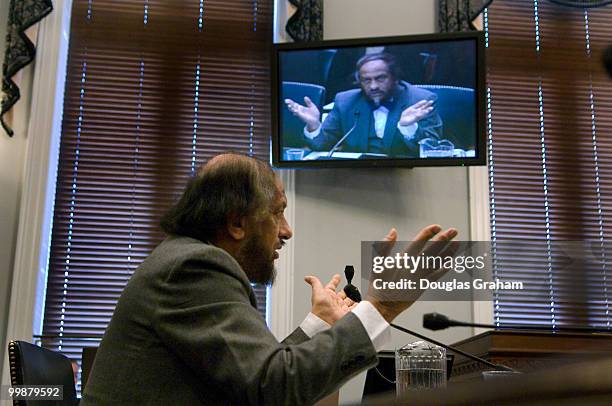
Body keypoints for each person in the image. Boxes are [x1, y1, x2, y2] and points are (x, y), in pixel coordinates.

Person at [81, 152, 457, 405]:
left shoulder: (184, 259)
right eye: (278, 213)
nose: (287, 231)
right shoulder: (194, 266)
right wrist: (382, 306)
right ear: (236, 222)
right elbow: (273, 389)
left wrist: (317, 325)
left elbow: (246, 376)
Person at [285, 52, 443, 158]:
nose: (373, 86)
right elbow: (323, 145)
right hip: (354, 178)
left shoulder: (421, 100)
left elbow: (432, 150)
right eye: (367, 80)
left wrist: (409, 127)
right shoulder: (345, 101)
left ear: (395, 78)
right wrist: (314, 126)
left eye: (380, 78)